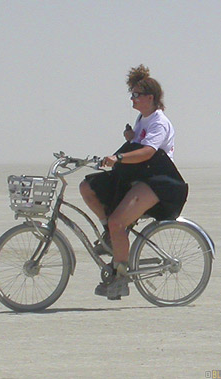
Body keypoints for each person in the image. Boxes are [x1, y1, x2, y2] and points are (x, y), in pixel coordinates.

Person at [79, 64, 188, 300]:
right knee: (88, 187)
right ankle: (110, 233)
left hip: (159, 181)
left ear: (150, 97)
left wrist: (118, 157)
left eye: (136, 95)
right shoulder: (143, 119)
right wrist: (130, 138)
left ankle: (120, 277)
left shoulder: (159, 122)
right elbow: (140, 143)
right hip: (140, 176)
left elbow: (148, 152)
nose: (133, 99)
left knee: (119, 222)